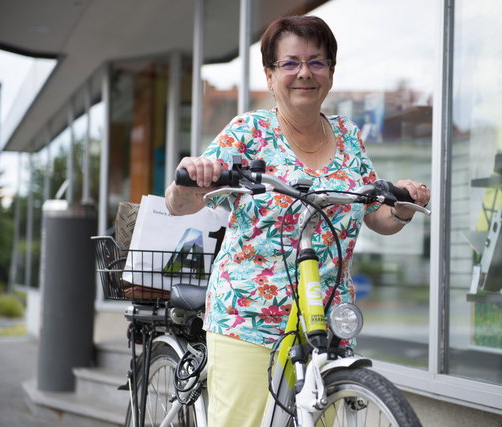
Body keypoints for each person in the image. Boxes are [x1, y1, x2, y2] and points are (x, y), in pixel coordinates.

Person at [165, 15, 430, 427]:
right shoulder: (248, 132)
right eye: (290, 63)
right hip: (250, 315)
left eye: (316, 62)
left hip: (325, 320)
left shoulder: (348, 136)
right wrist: (192, 176)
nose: (304, 72)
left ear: (330, 74)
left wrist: (401, 208)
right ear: (270, 76)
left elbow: (374, 214)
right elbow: (179, 204)